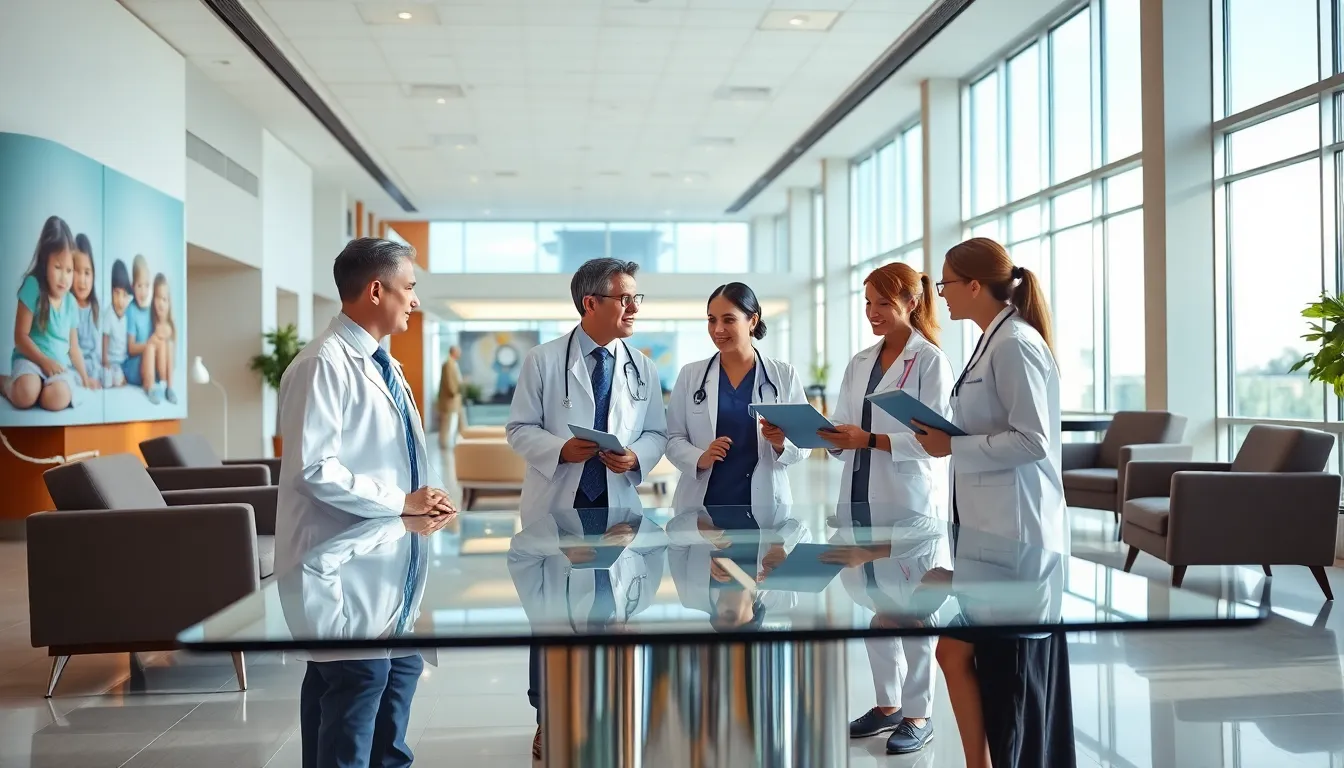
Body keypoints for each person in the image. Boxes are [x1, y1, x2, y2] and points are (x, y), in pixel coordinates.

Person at [276, 237, 457, 768]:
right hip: (336, 563)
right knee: (357, 682)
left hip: (385, 561)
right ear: (376, 290)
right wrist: (401, 501)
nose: (415, 300)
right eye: (409, 288)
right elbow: (315, 468)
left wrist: (424, 494)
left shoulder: (383, 363)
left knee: (397, 676)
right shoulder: (322, 364)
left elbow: (390, 451)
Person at [910, 236, 1071, 768]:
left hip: (1017, 535)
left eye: (946, 285)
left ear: (974, 285)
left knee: (1007, 677)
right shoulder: (990, 340)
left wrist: (951, 445)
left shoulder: (1015, 343)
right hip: (985, 533)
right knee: (953, 652)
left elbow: (1034, 440)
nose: (943, 295)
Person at [506, 257, 668, 759]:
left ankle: (607, 709)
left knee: (614, 612)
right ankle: (547, 715)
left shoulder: (642, 365)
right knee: (551, 619)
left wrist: (636, 455)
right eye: (625, 298)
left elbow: (657, 432)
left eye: (637, 298)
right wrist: (559, 448)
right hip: (558, 506)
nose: (634, 307)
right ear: (590, 302)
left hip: (616, 510)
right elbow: (518, 429)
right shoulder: (544, 360)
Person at [818, 261, 953, 755]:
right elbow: (842, 425)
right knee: (877, 605)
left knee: (912, 609)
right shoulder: (860, 361)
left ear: (912, 303)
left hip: (907, 498)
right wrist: (823, 436)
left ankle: (919, 713)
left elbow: (936, 440)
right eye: (868, 304)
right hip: (858, 492)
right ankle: (887, 705)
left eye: (883, 304)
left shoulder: (931, 361)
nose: (873, 313)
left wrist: (869, 439)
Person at [665, 282, 808, 511]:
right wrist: (700, 457)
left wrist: (782, 443)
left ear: (752, 320)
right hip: (703, 508)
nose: (718, 329)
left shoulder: (783, 375)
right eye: (712, 320)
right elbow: (672, 438)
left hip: (765, 505)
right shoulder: (691, 375)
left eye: (728, 319)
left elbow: (804, 442)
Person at [5, 215, 93, 411]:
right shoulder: (33, 286)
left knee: (59, 396)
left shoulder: (70, 302)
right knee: (27, 392)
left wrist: (85, 378)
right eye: (58, 267)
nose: (64, 277)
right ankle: (6, 384)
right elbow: (20, 336)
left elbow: (74, 348)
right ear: (45, 262)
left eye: (69, 270)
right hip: (30, 362)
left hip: (57, 369)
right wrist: (44, 361)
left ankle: (41, 392)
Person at [71, 234, 104, 390]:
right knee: (70, 380)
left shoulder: (95, 307)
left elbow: (97, 349)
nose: (82, 280)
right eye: (77, 271)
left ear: (93, 275)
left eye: (87, 272)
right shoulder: (68, 305)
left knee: (113, 375)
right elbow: (71, 350)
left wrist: (96, 373)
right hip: (73, 366)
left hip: (93, 366)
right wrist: (86, 377)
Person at [102, 259, 131, 389]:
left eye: (124, 295)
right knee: (108, 381)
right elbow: (105, 337)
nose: (120, 300)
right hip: (112, 360)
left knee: (120, 378)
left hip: (124, 360)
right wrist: (105, 359)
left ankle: (121, 377)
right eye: (116, 293)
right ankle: (114, 376)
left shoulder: (128, 313)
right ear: (111, 291)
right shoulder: (109, 313)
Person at [436, 345, 464, 448]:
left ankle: (452, 442)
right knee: (446, 424)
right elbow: (449, 382)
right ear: (454, 352)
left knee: (454, 423)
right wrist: (454, 392)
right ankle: (443, 444)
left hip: (454, 400)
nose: (460, 354)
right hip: (449, 400)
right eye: (458, 352)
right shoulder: (448, 364)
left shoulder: (453, 364)